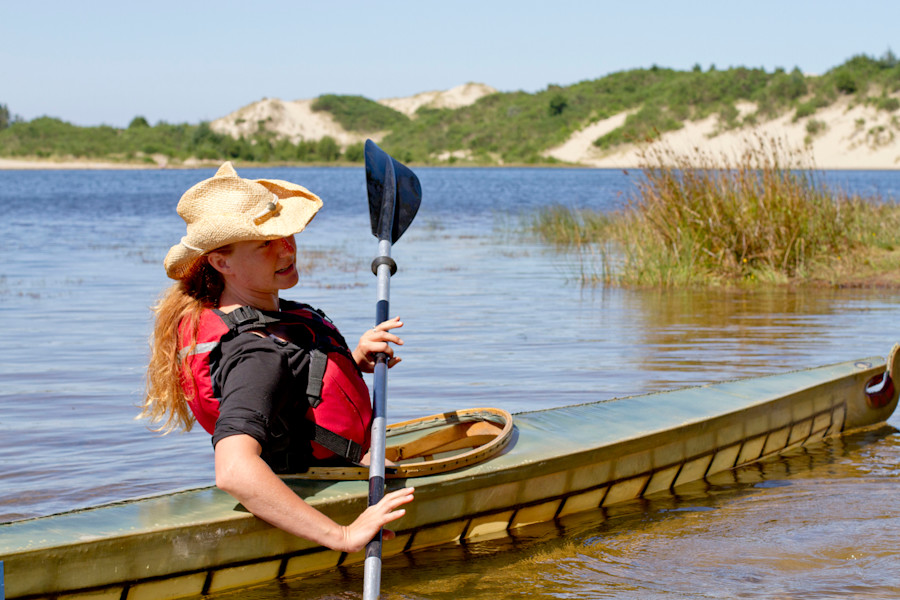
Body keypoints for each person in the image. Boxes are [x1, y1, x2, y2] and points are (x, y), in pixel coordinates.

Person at [140, 162, 413, 553]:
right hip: (316, 485)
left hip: (330, 464)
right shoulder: (254, 352)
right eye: (265, 243)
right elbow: (233, 470)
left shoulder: (260, 319)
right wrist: (343, 534)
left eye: (286, 234)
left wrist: (351, 362)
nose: (287, 249)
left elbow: (290, 396)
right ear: (221, 262)